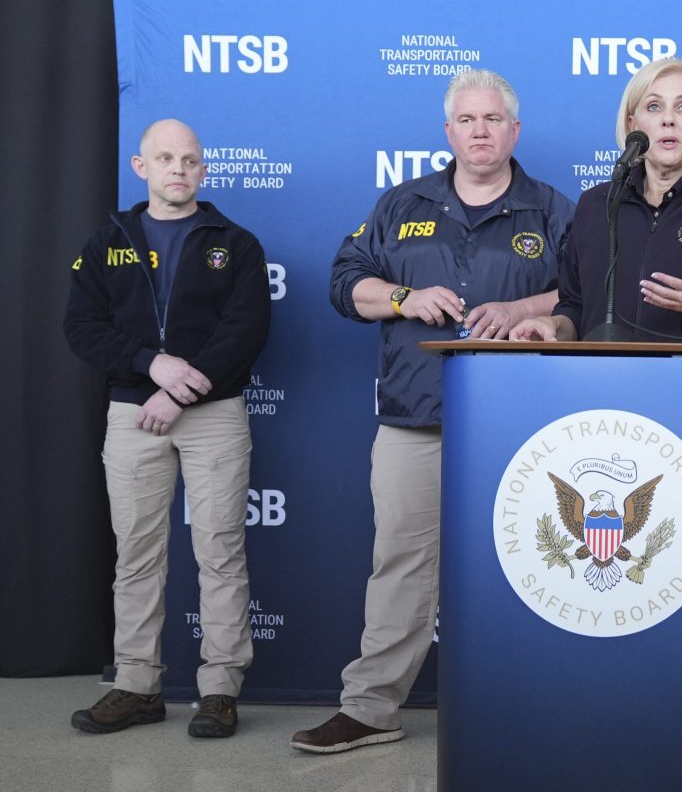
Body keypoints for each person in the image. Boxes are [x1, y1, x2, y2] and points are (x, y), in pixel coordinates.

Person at [292, 69, 573, 753]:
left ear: (515, 129)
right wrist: (401, 299)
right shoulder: (401, 202)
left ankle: (535, 706)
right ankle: (369, 707)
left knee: (535, 563)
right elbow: (343, 284)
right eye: (468, 120)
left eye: (493, 118)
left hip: (524, 425)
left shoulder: (554, 209)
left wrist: (523, 308)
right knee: (401, 563)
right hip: (414, 418)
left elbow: (590, 296)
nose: (481, 130)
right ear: (449, 131)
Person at [64, 119, 272, 739]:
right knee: (136, 556)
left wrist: (182, 388)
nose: (178, 169)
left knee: (219, 552)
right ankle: (135, 685)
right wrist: (150, 365)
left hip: (212, 415)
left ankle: (219, 691)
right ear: (141, 167)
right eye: (165, 159)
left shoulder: (236, 244)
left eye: (189, 160)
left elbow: (246, 330)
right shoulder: (106, 243)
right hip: (133, 415)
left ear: (203, 171)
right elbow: (82, 327)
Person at [510, 57, 682, 344]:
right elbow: (575, 308)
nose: (668, 119)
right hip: (600, 384)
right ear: (632, 125)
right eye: (654, 106)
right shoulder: (594, 204)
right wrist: (550, 325)